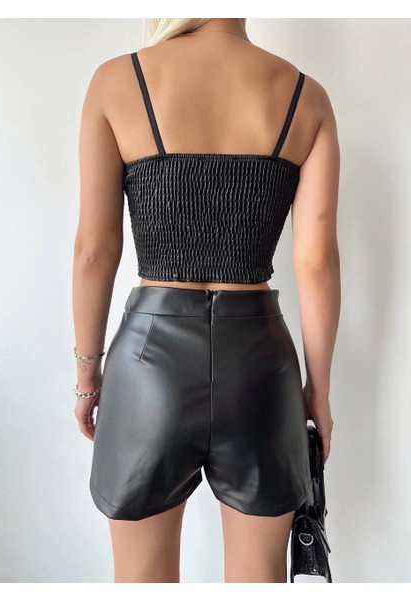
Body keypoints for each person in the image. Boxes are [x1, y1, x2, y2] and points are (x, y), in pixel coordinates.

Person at [72, 18, 340, 583]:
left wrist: (87, 376)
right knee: (258, 578)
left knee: (141, 580)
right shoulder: (305, 96)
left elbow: (95, 251)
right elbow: (316, 261)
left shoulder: (117, 82)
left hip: (149, 367)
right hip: (260, 367)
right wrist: (317, 390)